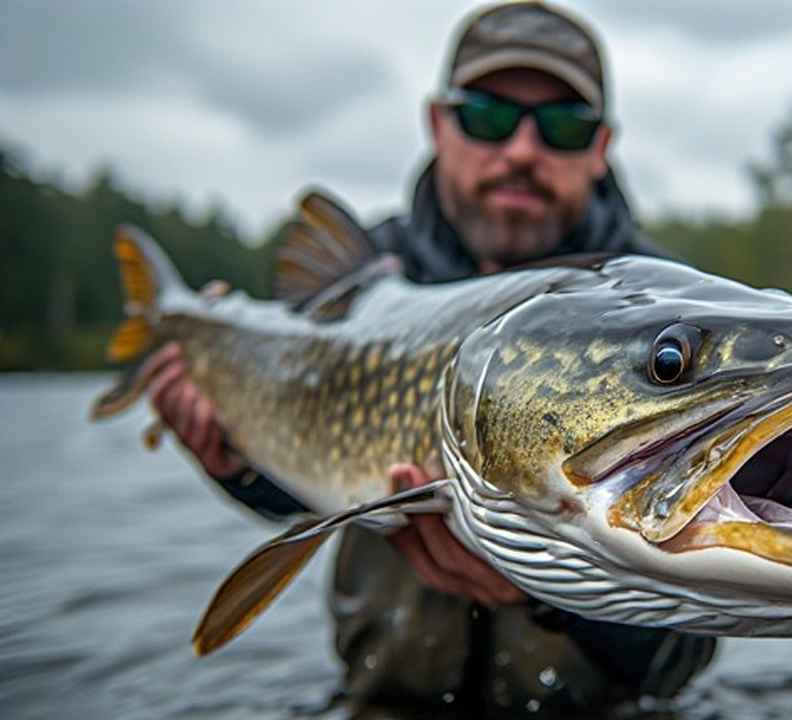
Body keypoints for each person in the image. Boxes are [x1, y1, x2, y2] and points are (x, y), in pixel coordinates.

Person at [145, 2, 716, 716]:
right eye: (487, 118)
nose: (521, 151)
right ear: (438, 125)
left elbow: (684, 651)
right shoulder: (363, 284)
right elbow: (315, 471)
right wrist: (236, 466)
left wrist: (552, 593)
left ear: (601, 146)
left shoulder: (672, 329)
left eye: (562, 126)